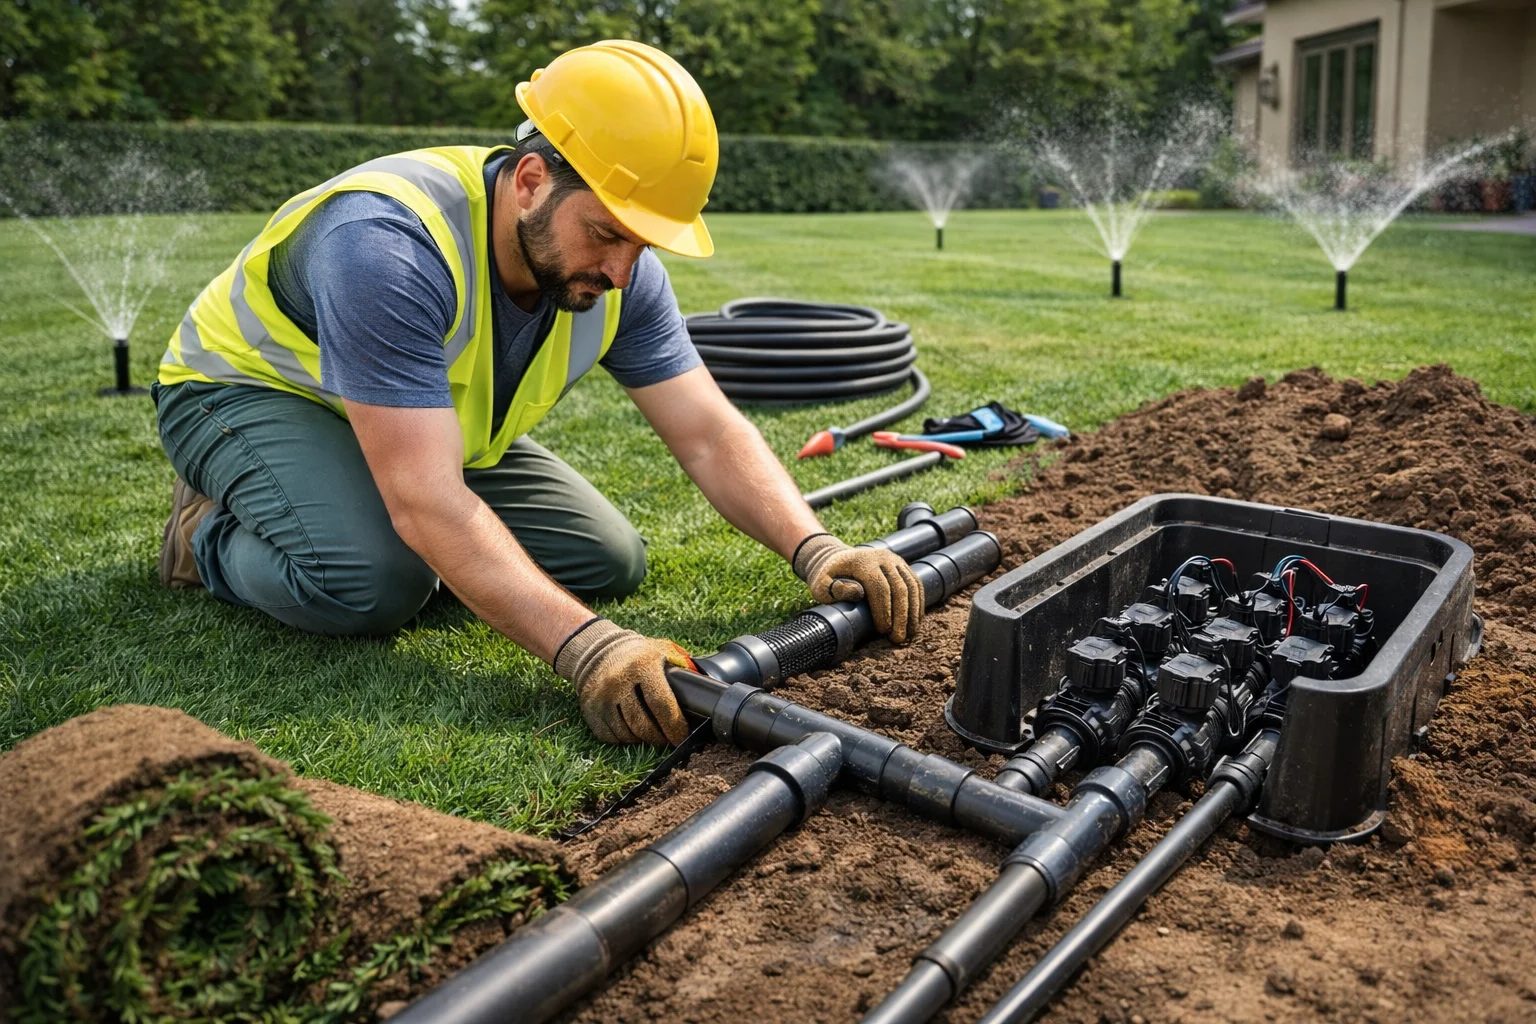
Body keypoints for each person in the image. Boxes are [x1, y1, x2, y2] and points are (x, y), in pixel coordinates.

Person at [152, 40, 923, 748]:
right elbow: (426, 499)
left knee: (607, 558)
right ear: (530, 182)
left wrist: (817, 547)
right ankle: (203, 539)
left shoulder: (621, 275)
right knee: (379, 583)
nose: (623, 271)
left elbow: (708, 432)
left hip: (418, 424)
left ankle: (375, 517)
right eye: (607, 233)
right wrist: (589, 648)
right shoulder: (385, 245)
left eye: (642, 242)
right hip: (243, 395)